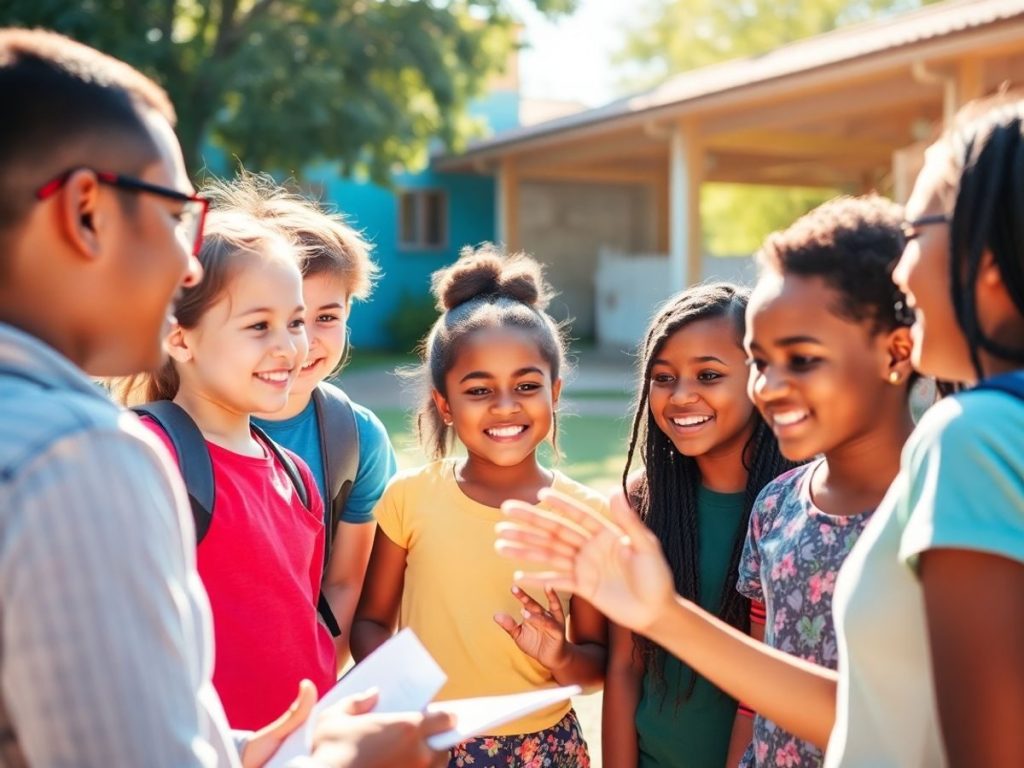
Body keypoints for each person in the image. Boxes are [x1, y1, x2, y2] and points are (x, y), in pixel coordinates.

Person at [495, 98, 1024, 768]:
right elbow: (876, 718)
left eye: (917, 232)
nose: (901, 267)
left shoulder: (973, 435)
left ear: (990, 256)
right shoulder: (972, 437)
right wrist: (662, 615)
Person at [0, 27, 451, 767]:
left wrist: (240, 750)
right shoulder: (80, 457)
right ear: (85, 212)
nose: (187, 265)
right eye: (177, 214)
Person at [351, 246, 606, 767]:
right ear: (445, 404)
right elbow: (370, 623)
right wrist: (410, 688)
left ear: (554, 393)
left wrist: (559, 655)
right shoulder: (408, 499)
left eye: (527, 386)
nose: (506, 405)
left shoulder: (586, 516)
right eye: (479, 389)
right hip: (429, 742)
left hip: (546, 749)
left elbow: (596, 668)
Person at [116, 209, 339, 729]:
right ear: (179, 337)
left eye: (296, 322)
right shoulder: (151, 457)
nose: (288, 347)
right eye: (259, 326)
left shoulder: (297, 476)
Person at [735, 195, 915, 767]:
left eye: (802, 360)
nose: (768, 386)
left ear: (897, 351)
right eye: (759, 361)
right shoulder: (776, 506)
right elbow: (756, 690)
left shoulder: (938, 506)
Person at [202, 173, 398, 671]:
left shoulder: (356, 440)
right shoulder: (177, 434)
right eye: (280, 321)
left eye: (325, 317)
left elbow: (344, 584)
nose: (301, 342)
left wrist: (308, 693)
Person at [602, 284, 794, 768]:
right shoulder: (637, 504)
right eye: (663, 378)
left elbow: (766, 694)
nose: (681, 396)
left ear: (761, 377)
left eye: (708, 375)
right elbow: (625, 667)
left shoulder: (797, 510)